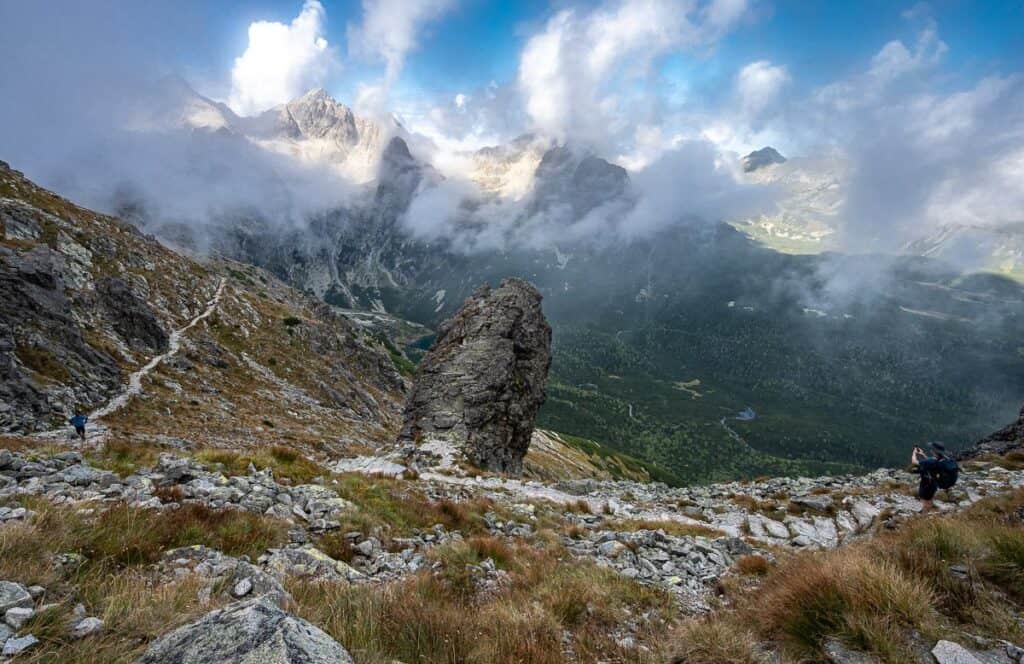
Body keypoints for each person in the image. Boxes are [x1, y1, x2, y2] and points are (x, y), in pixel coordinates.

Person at [911, 442, 959, 511]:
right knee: (930, 498)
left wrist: (914, 453)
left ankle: (925, 513)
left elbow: (914, 462)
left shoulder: (932, 461)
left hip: (928, 484)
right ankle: (929, 509)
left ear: (933, 451)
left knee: (925, 500)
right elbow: (930, 462)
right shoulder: (943, 459)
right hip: (935, 483)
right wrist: (923, 454)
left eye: (931, 449)